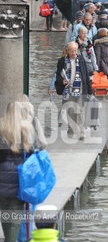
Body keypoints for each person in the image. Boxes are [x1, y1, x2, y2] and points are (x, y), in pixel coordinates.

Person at [0, 94, 46, 242]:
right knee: (15, 224)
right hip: (18, 183)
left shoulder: (1, 127)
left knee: (6, 220)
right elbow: (34, 151)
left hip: (2, 183)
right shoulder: (26, 128)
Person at [55, 42, 92, 139]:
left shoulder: (81, 59)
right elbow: (58, 75)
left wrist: (89, 89)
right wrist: (61, 81)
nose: (74, 52)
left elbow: (85, 75)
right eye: (72, 51)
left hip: (79, 89)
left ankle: (81, 132)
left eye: (75, 50)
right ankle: (71, 130)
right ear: (67, 51)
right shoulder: (62, 61)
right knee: (70, 111)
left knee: (80, 111)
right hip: (68, 90)